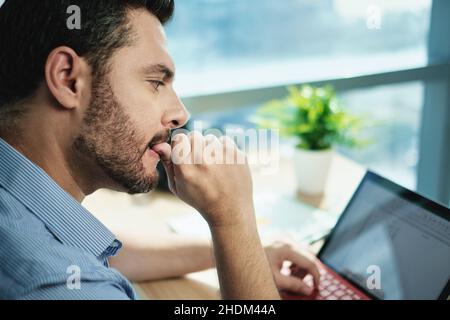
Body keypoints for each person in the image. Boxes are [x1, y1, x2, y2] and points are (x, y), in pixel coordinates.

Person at [0, 0, 319, 300]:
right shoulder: (62, 285)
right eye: (155, 81)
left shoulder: (22, 203)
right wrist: (234, 220)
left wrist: (242, 255)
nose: (180, 113)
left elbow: (103, 252)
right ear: (68, 79)